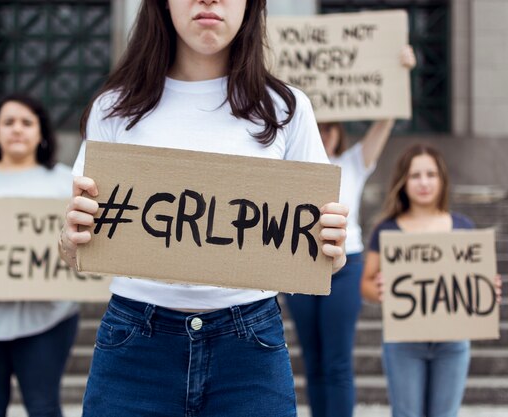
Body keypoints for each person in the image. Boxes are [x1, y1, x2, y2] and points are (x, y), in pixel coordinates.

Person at [59, 1, 348, 416]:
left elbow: (322, 260)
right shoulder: (114, 108)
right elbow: (72, 249)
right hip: (135, 343)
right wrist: (71, 237)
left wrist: (331, 249)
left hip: (249, 345)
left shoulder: (286, 109)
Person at [284, 45, 416, 417]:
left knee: (338, 360)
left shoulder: (353, 163)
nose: (323, 135)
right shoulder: (290, 166)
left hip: (347, 266)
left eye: (329, 129)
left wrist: (399, 72)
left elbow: (385, 122)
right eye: (318, 127)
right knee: (312, 359)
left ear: (339, 133)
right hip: (300, 266)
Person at [0, 94, 79, 417]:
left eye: (26, 122)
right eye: (8, 123)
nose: (17, 130)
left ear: (41, 132)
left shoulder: (64, 181)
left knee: (44, 406)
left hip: (49, 316)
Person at [360, 144, 502, 417]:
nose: (423, 182)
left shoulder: (463, 226)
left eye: (431, 174)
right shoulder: (386, 229)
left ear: (442, 179)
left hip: (453, 341)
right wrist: (380, 291)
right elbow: (365, 284)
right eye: (415, 175)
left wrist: (486, 290)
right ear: (403, 181)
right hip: (404, 342)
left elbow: (473, 281)